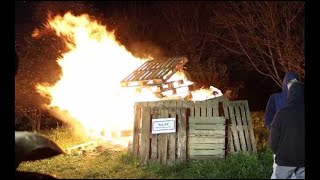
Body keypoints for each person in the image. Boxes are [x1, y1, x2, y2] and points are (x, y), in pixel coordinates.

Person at [264, 72, 299, 179]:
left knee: (296, 174)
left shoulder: (300, 100)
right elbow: (268, 117)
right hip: (281, 144)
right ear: (285, 83)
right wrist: (274, 131)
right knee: (278, 172)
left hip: (297, 144)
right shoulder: (275, 98)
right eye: (290, 82)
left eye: (295, 82)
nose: (293, 85)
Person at [269, 81, 305, 179]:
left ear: (290, 94)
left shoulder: (282, 113)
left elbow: (274, 138)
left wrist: (276, 151)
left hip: (285, 159)